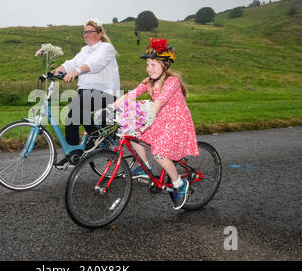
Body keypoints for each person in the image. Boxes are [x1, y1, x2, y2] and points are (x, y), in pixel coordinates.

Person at [112, 38, 199, 210]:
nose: (149, 69)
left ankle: (179, 183)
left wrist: (149, 115)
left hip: (176, 122)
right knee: (132, 131)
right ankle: (145, 166)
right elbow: (131, 94)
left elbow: (159, 102)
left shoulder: (171, 82)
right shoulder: (149, 81)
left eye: (153, 65)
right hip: (160, 120)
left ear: (165, 65)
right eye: (147, 65)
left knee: (159, 152)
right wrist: (110, 107)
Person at [52, 19, 121, 169]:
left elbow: (95, 64)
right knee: (71, 118)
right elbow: (71, 63)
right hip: (86, 92)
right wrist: (56, 71)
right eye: (84, 31)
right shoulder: (85, 50)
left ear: (100, 33)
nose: (86, 34)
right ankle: (75, 154)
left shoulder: (106, 48)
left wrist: (76, 71)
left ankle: (89, 142)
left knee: (75, 111)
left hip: (106, 92)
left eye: (90, 31)